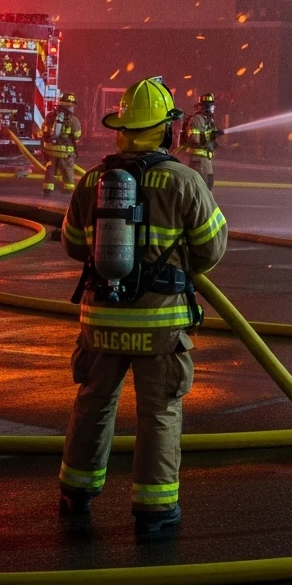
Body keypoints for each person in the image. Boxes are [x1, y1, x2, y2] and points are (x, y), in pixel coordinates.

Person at [59, 76, 227, 536]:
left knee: (92, 405)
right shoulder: (185, 181)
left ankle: (76, 492)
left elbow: (74, 246)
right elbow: (211, 251)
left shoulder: (93, 180)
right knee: (159, 412)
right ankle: (154, 512)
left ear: (122, 128)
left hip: (100, 323)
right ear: (167, 129)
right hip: (160, 325)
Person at [180, 92, 224, 190]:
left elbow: (210, 139)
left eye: (213, 105)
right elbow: (195, 139)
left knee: (208, 187)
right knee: (201, 189)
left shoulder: (209, 120)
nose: (212, 108)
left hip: (207, 161)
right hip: (197, 161)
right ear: (203, 106)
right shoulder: (196, 119)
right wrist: (211, 136)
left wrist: (216, 143)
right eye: (210, 105)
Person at [41, 91, 82, 195]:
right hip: (65, 152)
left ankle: (47, 189)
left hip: (50, 151)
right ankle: (68, 190)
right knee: (68, 170)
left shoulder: (50, 116)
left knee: (50, 170)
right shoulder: (73, 120)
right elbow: (77, 135)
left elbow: (44, 131)